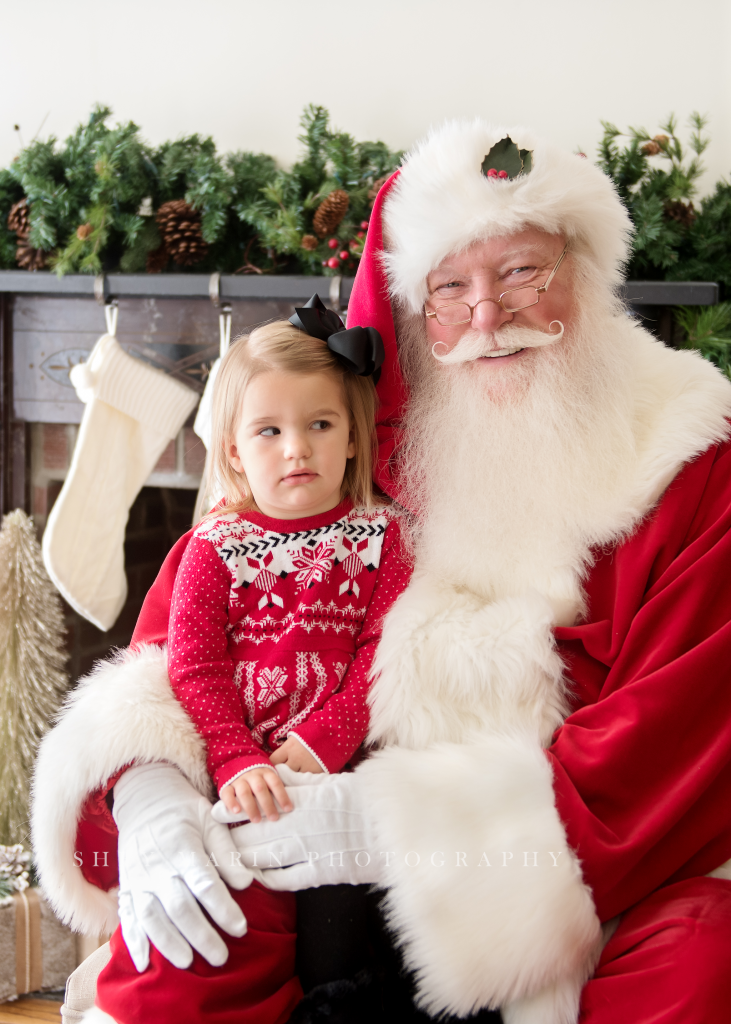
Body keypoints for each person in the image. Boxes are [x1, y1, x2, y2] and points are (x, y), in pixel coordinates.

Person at [33, 122, 731, 1024]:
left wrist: (396, 825)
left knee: (701, 963)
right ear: (413, 305)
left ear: (586, 270)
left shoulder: (684, 452)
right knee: (184, 945)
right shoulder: (347, 442)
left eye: (522, 272)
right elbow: (185, 640)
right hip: (296, 846)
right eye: (451, 287)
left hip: (571, 883)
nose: (486, 316)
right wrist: (150, 793)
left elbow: (687, 725)